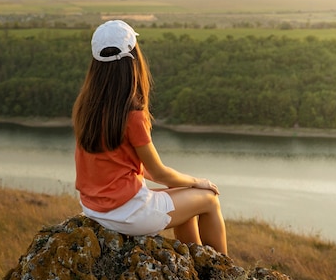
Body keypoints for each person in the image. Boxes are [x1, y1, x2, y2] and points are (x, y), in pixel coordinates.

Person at [72, 20, 227, 254]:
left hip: (95, 208)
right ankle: (222, 272)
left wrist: (183, 186)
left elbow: (131, 167)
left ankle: (199, 265)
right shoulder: (131, 113)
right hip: (128, 213)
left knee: (183, 206)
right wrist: (197, 182)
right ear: (133, 59)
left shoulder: (86, 106)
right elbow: (159, 172)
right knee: (208, 200)